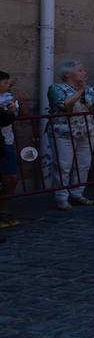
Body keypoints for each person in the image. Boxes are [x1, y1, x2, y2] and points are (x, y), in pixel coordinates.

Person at [46, 60, 94, 209]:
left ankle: (77, 194)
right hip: (63, 132)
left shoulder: (89, 89)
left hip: (86, 132)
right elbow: (65, 105)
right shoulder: (56, 88)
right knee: (63, 165)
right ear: (67, 74)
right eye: (80, 70)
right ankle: (62, 198)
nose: (84, 73)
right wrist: (81, 91)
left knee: (84, 164)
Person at [0, 71, 20, 228]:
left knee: (11, 178)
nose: (8, 85)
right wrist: (9, 113)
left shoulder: (6, 97)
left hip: (6, 143)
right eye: (5, 83)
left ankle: (3, 212)